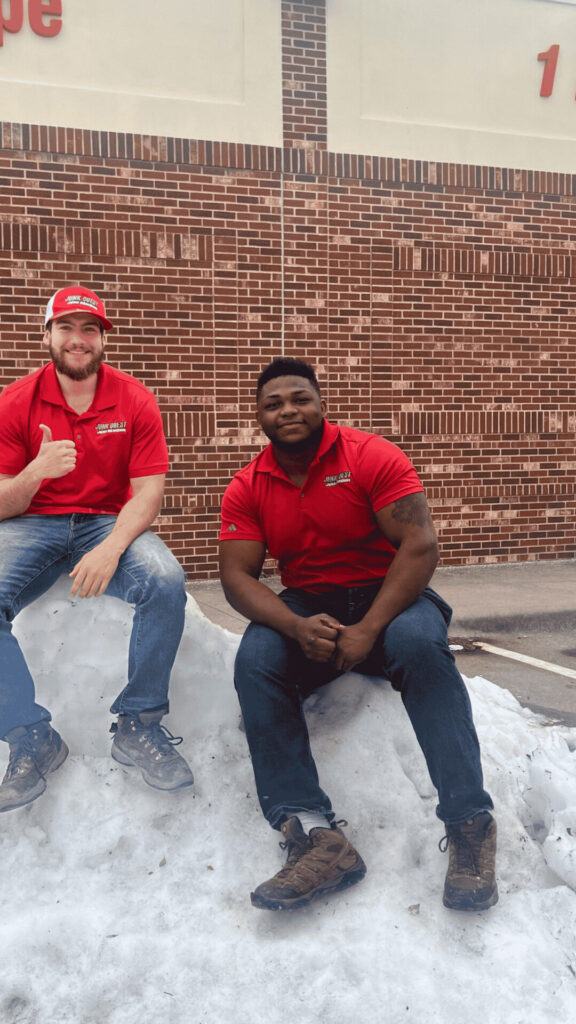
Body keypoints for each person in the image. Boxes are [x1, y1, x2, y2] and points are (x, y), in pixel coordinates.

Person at [218, 357, 497, 912]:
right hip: (309, 602)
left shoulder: (371, 456)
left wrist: (370, 628)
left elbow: (420, 547)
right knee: (255, 659)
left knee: (419, 646)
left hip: (389, 593)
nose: (288, 411)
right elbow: (235, 576)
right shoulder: (249, 485)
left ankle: (470, 825)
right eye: (273, 404)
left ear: (321, 403)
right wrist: (295, 626)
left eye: (299, 398)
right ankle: (316, 836)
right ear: (259, 416)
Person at [0, 285, 192, 813]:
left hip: (107, 521)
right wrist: (36, 471)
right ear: (48, 335)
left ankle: (138, 724)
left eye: (89, 329)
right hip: (31, 525)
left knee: (164, 581)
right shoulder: (17, 401)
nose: (78, 340)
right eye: (67, 328)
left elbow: (148, 492)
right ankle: (30, 738)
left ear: (102, 339)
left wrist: (111, 549)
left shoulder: (133, 399)